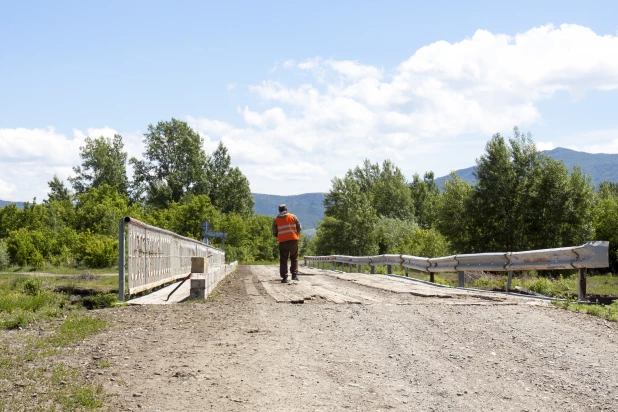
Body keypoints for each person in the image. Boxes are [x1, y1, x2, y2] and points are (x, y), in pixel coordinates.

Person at [272, 204, 302, 283]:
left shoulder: (276, 219)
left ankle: (285, 277)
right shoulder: (293, 216)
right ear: (286, 209)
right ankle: (294, 275)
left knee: (283, 259)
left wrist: (278, 236)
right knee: (294, 257)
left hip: (283, 241)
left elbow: (274, 231)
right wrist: (295, 233)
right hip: (293, 239)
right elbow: (299, 227)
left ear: (279, 210)